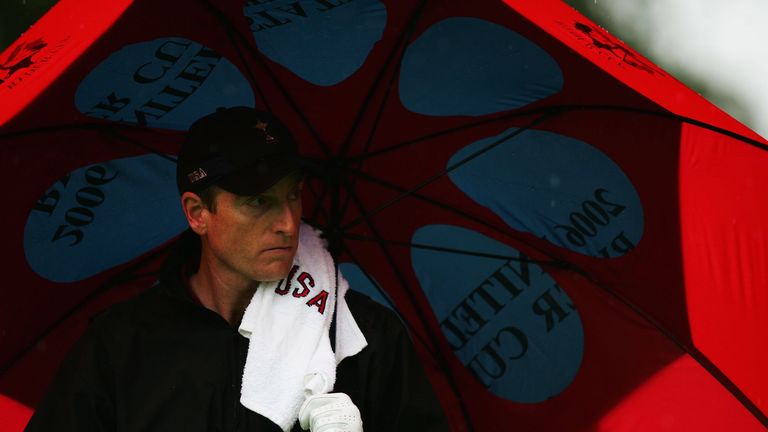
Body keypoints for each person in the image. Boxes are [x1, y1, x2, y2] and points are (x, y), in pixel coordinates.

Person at [25, 107, 450, 431]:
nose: (287, 222)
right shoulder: (120, 346)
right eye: (257, 201)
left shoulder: (364, 339)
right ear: (197, 213)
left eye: (294, 195)